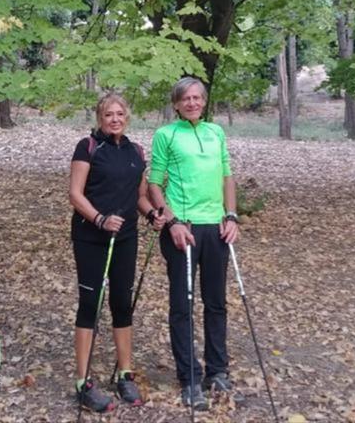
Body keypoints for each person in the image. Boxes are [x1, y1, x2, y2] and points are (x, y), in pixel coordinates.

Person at [69, 92, 165, 412]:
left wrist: (152, 214)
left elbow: (138, 196)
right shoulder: (88, 147)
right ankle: (83, 382)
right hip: (91, 237)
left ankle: (125, 374)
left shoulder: (136, 151)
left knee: (122, 303)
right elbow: (75, 194)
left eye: (120, 114)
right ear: (100, 118)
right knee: (91, 304)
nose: (115, 119)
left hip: (125, 238)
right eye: (108, 114)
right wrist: (99, 219)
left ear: (127, 117)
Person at [148, 77, 239, 410]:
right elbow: (154, 184)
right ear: (176, 104)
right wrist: (171, 221)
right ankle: (189, 378)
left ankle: (217, 370)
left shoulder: (216, 132)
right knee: (182, 306)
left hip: (216, 228)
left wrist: (231, 215)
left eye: (197, 97)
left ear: (204, 100)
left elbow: (227, 176)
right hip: (182, 229)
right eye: (186, 98)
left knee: (216, 303)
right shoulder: (166, 134)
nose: (192, 103)